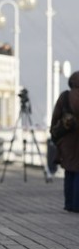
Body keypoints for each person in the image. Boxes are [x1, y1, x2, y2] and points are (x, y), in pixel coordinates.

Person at [51, 71, 79, 212]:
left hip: (67, 139)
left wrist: (54, 134)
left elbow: (56, 116)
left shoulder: (65, 96)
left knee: (69, 171)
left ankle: (69, 203)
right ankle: (77, 204)